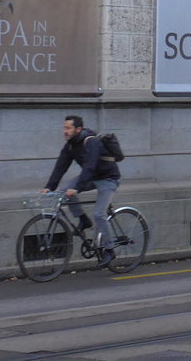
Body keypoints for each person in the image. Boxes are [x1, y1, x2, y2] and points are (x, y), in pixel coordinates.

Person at [42, 115, 121, 268]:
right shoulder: (71, 145)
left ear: (78, 129)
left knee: (99, 214)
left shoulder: (90, 141)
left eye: (68, 128)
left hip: (108, 178)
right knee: (65, 191)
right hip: (91, 177)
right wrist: (50, 186)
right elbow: (61, 166)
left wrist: (77, 188)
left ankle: (109, 250)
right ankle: (83, 219)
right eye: (64, 128)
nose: (64, 131)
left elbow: (90, 166)